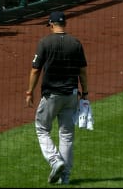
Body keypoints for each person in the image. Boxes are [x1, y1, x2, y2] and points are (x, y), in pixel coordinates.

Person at [25, 11, 89, 185]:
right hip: (71, 95)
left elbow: (35, 70)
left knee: (42, 128)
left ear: (52, 24)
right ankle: (65, 177)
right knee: (67, 135)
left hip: (52, 96)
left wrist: (29, 91)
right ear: (64, 24)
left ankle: (54, 161)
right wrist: (86, 93)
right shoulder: (75, 43)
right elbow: (82, 71)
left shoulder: (45, 42)